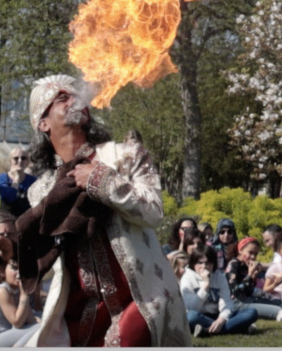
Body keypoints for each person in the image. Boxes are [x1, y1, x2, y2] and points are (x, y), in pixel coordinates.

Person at [17, 74, 190, 346]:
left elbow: (154, 211)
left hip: (139, 301)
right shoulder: (40, 191)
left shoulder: (126, 155)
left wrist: (103, 180)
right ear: (43, 123)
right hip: (78, 311)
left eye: (75, 94)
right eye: (62, 98)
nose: (74, 99)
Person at [181, 246, 258, 337]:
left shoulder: (219, 277)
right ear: (193, 263)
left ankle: (207, 330)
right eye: (200, 263)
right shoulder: (187, 278)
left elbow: (227, 303)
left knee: (251, 312)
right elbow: (191, 307)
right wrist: (205, 286)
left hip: (217, 315)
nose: (204, 266)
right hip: (199, 315)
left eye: (208, 263)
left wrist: (221, 319)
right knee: (191, 316)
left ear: (213, 263)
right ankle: (238, 328)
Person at [226, 237, 282, 319]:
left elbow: (249, 291)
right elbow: (236, 292)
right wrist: (250, 275)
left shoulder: (245, 265)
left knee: (280, 303)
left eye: (255, 254)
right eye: (250, 253)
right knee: (278, 311)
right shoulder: (233, 265)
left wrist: (253, 276)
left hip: (248, 300)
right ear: (240, 250)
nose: (253, 257)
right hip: (237, 304)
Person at [0, 238, 39, 347]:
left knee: (42, 326)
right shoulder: (2, 290)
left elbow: (31, 319)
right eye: (14, 268)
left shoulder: (17, 290)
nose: (19, 274)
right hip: (2, 336)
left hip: (12, 333)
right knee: (38, 329)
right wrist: (24, 293)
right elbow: (17, 322)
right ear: (2, 271)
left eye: (21, 269)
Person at [0, 147, 37, 217]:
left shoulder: (33, 180)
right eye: (16, 158)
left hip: (27, 219)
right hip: (7, 219)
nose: (20, 161)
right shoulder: (2, 178)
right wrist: (16, 180)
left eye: (23, 158)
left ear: (27, 162)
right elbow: (9, 198)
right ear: (10, 161)